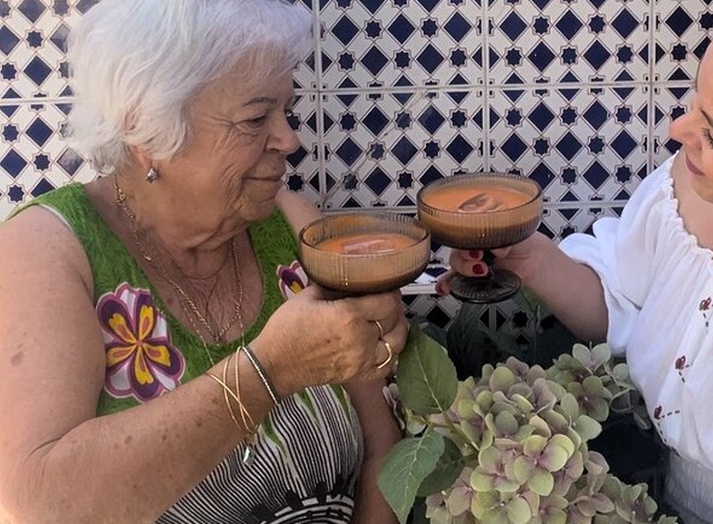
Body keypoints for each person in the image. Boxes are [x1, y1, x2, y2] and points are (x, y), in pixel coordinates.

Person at [443, 0, 713, 522]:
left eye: (712, 136)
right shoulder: (690, 196)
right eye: (695, 101)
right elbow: (626, 309)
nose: (677, 131)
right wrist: (530, 258)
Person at [0, 1, 407, 523]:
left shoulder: (294, 227)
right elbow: (36, 503)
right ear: (148, 133)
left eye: (286, 111)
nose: (289, 139)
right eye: (256, 118)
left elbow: (385, 449)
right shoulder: (47, 250)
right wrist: (269, 371)